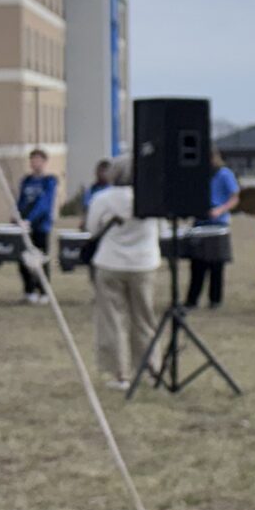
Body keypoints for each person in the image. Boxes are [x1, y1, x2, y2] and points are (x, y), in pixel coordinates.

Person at [85, 165, 162, 386]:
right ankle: (149, 370)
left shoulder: (103, 198)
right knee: (144, 318)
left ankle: (120, 374)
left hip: (110, 261)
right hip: (144, 263)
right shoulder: (151, 197)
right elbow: (162, 228)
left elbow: (92, 228)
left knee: (112, 319)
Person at [186, 147, 239, 310]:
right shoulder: (199, 174)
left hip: (217, 222)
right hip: (200, 222)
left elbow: (234, 197)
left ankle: (215, 299)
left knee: (216, 263)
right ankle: (192, 299)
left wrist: (220, 210)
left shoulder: (224, 174)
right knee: (197, 263)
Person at [16, 147, 59, 303]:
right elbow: (21, 201)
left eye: (39, 160)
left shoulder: (49, 181)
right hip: (24, 226)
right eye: (33, 160)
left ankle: (44, 291)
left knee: (41, 259)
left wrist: (31, 219)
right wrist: (17, 216)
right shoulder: (26, 181)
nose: (35, 163)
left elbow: (44, 204)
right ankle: (29, 290)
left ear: (45, 162)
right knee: (24, 259)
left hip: (41, 226)